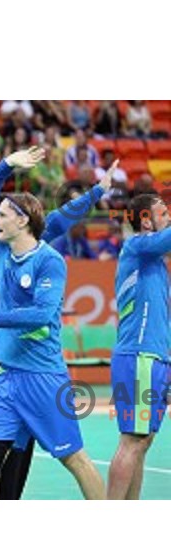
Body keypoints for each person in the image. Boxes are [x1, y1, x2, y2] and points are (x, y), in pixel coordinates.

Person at [0, 148, 112, 501]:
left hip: (41, 373)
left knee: (67, 458)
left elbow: (63, 218)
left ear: (23, 221)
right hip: (2, 367)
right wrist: (7, 164)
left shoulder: (45, 258)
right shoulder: (0, 246)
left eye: (4, 214)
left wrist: (98, 192)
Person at [107, 194, 171, 499]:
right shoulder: (137, 246)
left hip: (154, 357)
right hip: (139, 355)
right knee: (132, 439)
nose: (168, 217)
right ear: (145, 221)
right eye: (163, 213)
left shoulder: (155, 263)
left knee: (142, 441)